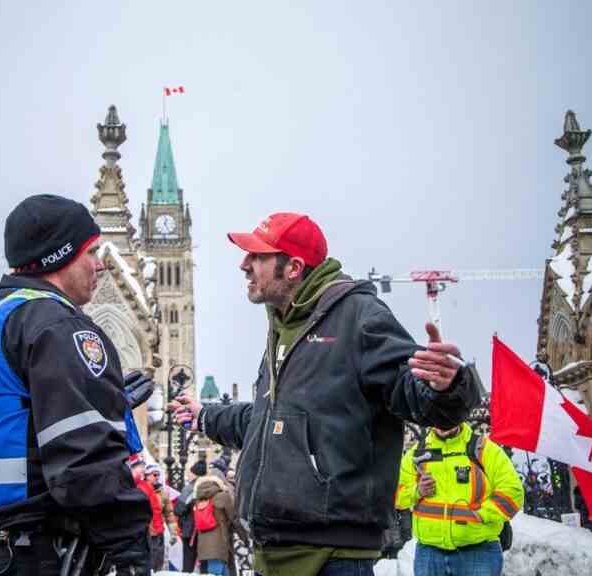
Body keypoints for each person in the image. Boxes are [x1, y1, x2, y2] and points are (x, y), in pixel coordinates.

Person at [169, 212, 481, 576]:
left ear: (293, 267)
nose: (244, 265)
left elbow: (413, 394)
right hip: (275, 550)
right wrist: (204, 415)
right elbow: (269, 421)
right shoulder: (283, 327)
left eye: (258, 256)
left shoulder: (358, 316)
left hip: (332, 556)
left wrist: (447, 387)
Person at [0, 194, 153, 576]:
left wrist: (104, 399)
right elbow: (84, 460)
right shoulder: (55, 325)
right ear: (61, 256)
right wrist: (130, 548)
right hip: (31, 550)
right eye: (90, 252)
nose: (100, 265)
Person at [395, 423, 523, 576]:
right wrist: (417, 491)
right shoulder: (417, 453)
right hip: (429, 553)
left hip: (478, 551)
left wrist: (481, 515)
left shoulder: (483, 449)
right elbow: (396, 496)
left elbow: (513, 492)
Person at [194, 459, 248, 576]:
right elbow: (234, 518)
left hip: (203, 545)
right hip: (220, 544)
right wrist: (245, 537)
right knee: (218, 572)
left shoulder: (199, 497)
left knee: (218, 572)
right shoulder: (222, 496)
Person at [144, 463, 179, 571]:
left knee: (158, 562)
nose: (157, 477)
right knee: (147, 563)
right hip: (145, 533)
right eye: (154, 474)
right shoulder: (140, 490)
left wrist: (173, 532)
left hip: (158, 532)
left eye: (158, 474)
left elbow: (169, 513)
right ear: (147, 475)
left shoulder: (162, 492)